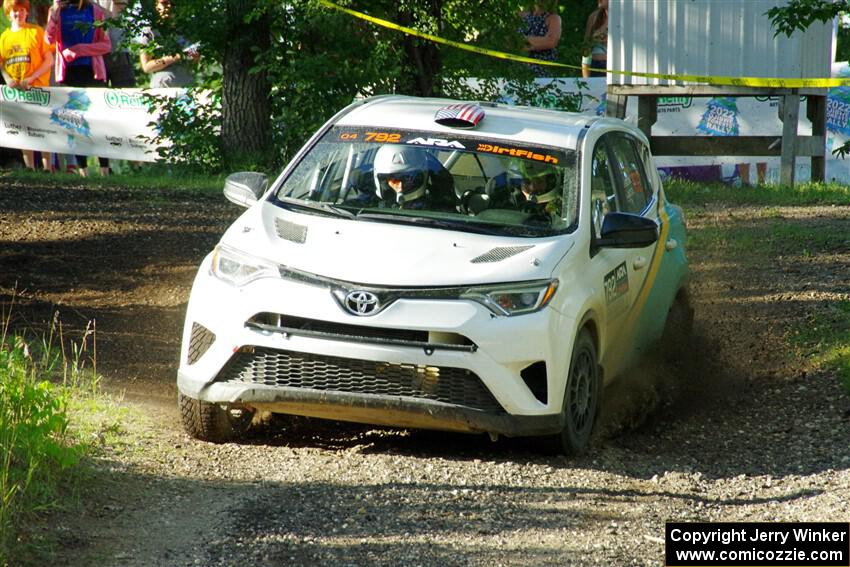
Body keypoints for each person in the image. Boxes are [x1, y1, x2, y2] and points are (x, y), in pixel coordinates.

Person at [45, 0, 112, 176]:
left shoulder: (95, 11)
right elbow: (48, 39)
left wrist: (79, 49)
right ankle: (84, 172)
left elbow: (106, 45)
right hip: (68, 74)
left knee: (98, 121)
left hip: (93, 72)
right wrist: (54, 11)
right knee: (74, 122)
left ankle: (105, 170)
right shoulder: (58, 11)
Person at [0, 0, 54, 171]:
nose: (19, 14)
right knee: (23, 128)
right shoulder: (4, 37)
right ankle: (29, 167)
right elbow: (1, 63)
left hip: (38, 88)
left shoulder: (36, 31)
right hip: (17, 91)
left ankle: (47, 168)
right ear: (8, 14)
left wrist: (32, 78)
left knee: (43, 128)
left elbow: (49, 60)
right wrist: (7, 78)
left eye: (22, 10)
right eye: (15, 11)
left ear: (27, 12)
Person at [372, 144, 455, 211]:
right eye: (393, 180)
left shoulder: (439, 209)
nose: (399, 187)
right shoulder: (366, 206)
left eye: (407, 179)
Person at [138, 0, 197, 88]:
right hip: (163, 85)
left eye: (173, 4)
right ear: (156, 5)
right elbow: (147, 67)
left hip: (187, 85)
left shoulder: (187, 30)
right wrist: (176, 56)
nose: (169, 7)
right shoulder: (149, 31)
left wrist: (195, 58)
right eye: (164, 3)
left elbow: (194, 64)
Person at [519, 1, 561, 77]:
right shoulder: (521, 15)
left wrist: (524, 40)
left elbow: (551, 41)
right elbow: (509, 40)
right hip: (516, 68)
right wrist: (537, 42)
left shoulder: (554, 18)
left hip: (541, 71)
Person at [582, 0, 608, 78]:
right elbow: (586, 47)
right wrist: (586, 76)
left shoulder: (624, 18)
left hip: (617, 67)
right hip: (595, 66)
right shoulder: (593, 17)